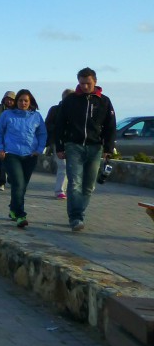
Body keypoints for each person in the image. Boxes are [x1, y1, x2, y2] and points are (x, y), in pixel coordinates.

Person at [55, 67, 116, 232]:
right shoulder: (70, 100)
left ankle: (79, 212)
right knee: (74, 182)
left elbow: (110, 126)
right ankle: (76, 217)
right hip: (73, 146)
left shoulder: (104, 101)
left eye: (88, 83)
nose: (84, 86)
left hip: (95, 147)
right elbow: (59, 124)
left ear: (95, 82)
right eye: (81, 83)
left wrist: (108, 148)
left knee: (88, 186)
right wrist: (59, 146)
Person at [0, 89, 46, 228]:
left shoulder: (36, 116)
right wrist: (0, 148)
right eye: (20, 100)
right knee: (18, 184)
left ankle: (13, 209)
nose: (23, 103)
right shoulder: (7, 115)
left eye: (26, 101)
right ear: (16, 102)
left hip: (29, 155)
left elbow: (42, 134)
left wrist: (39, 150)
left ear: (30, 102)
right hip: (11, 154)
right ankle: (20, 215)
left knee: (22, 186)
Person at [44, 89, 73, 199]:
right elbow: (47, 124)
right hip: (58, 141)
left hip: (72, 142)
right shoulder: (55, 109)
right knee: (63, 166)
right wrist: (59, 129)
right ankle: (59, 190)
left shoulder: (76, 110)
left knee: (72, 167)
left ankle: (68, 189)